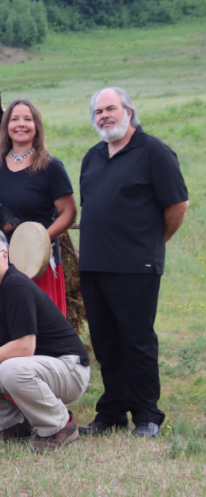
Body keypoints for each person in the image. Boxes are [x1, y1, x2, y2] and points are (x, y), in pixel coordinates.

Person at [77, 87, 188, 438]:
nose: (104, 116)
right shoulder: (93, 156)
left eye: (111, 108)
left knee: (136, 340)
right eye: (98, 111)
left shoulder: (153, 151)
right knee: (106, 342)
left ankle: (147, 415)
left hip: (134, 264)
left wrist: (151, 244)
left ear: (128, 111)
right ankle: (112, 413)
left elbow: (177, 206)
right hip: (94, 264)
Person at [0, 225, 90, 453]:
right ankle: (10, 424)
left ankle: (60, 425)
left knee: (9, 369)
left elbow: (24, 347)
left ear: (5, 256)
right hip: (27, 368)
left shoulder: (16, 286)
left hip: (69, 369)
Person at [0, 100, 77, 315]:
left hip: (39, 264)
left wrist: (37, 242)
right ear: (6, 127)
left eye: (27, 119)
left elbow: (68, 212)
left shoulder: (51, 166)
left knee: (40, 332)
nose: (21, 124)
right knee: (7, 329)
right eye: (14, 119)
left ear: (37, 126)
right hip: (2, 264)